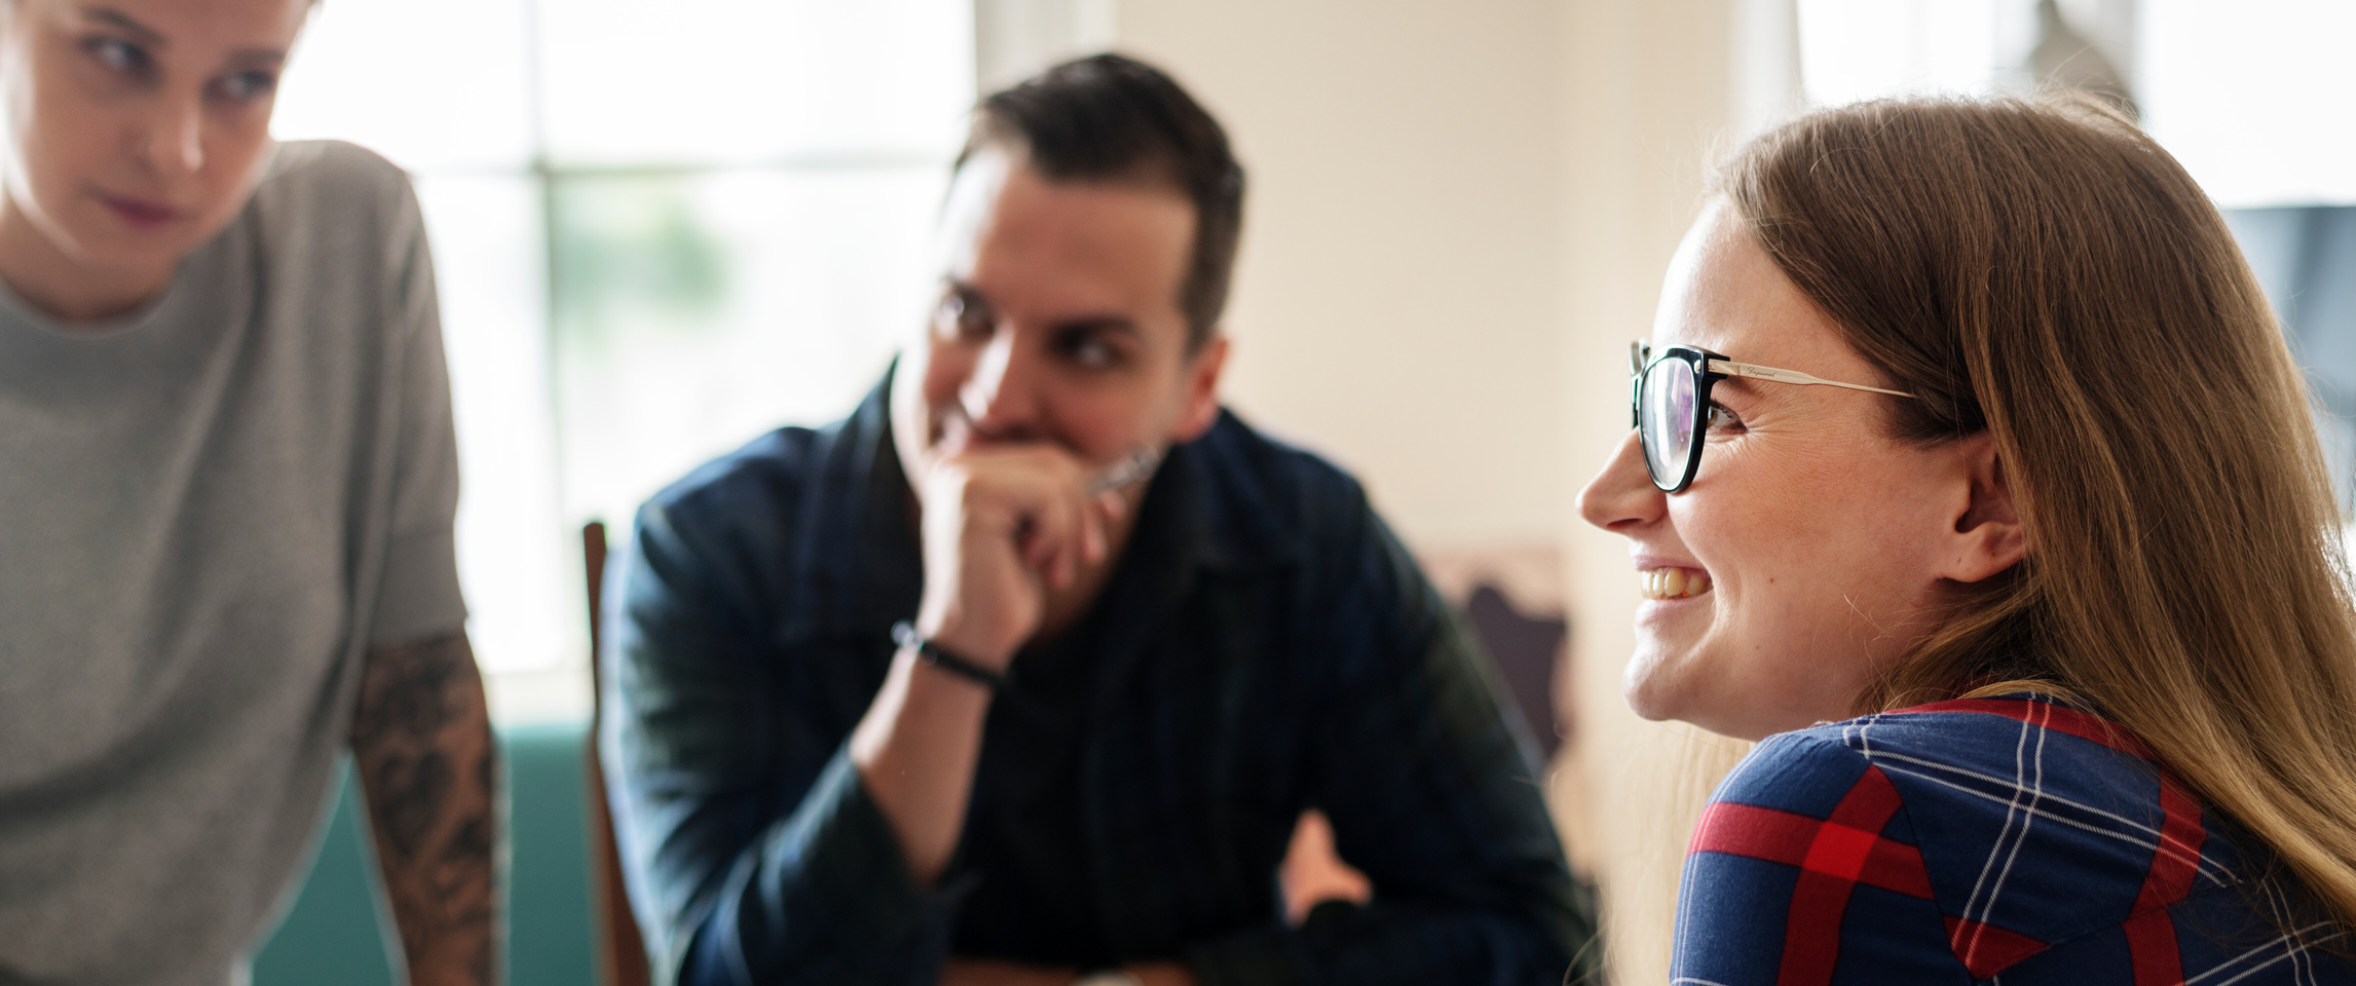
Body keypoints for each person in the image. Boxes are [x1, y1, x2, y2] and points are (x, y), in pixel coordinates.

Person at [602, 53, 1592, 986]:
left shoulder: (1299, 539)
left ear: (1196, 386)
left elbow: (1534, 934)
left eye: (1086, 348)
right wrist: (953, 649)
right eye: (966, 313)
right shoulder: (710, 551)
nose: (994, 399)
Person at [1579, 94, 2356, 984]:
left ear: (1991, 504)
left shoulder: (1859, 813)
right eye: (1653, 399)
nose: (1606, 498)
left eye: (1713, 411)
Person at [0, 0, 496, 983]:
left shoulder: (348, 244)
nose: (178, 150)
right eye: (117, 54)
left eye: (243, 83)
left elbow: (414, 675)